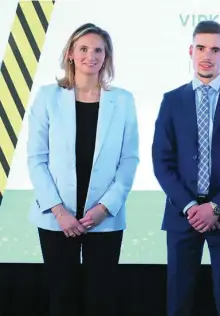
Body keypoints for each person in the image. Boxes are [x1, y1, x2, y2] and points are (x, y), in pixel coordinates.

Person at [26, 23, 140, 316]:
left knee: (101, 300)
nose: (91, 56)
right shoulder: (48, 97)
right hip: (56, 218)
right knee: (62, 298)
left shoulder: (123, 100)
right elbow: (37, 158)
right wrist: (59, 212)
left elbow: (129, 160)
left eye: (98, 50)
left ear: (107, 57)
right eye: (84, 49)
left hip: (103, 218)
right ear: (71, 54)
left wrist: (105, 207)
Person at [152, 20, 220, 316]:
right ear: (191, 50)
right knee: (179, 299)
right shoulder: (172, 100)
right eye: (201, 47)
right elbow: (162, 161)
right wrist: (190, 206)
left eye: (215, 49)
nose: (207, 55)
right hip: (181, 214)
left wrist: (216, 206)